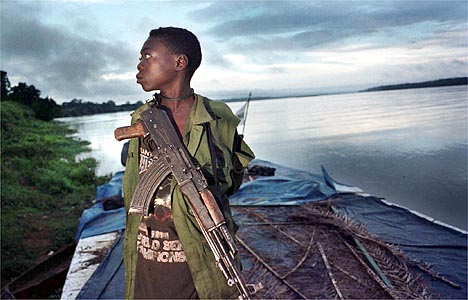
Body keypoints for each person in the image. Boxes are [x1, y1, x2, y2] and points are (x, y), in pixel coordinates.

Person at [122, 27, 255, 299]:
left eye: (148, 56)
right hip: (148, 256)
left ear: (179, 63)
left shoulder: (217, 118)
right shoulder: (142, 118)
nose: (140, 64)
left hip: (202, 253)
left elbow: (232, 176)